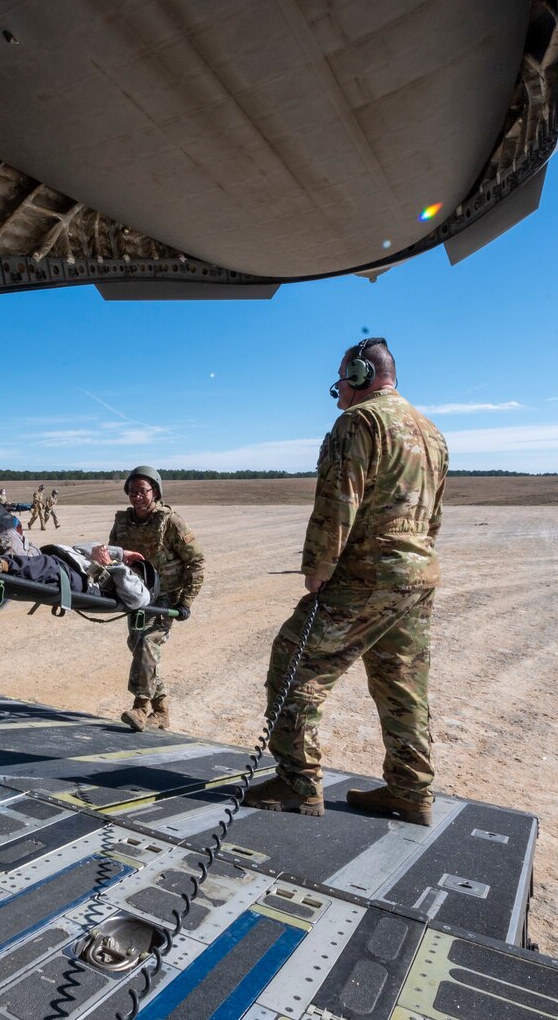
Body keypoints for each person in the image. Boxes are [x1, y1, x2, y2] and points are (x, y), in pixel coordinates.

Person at [243, 338, 448, 824]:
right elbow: (434, 515)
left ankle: (297, 781)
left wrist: (318, 570)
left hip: (366, 573)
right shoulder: (432, 433)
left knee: (295, 661)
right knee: (403, 684)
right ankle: (411, 791)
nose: (339, 386)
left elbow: (338, 502)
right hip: (416, 575)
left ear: (360, 375)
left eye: (343, 376)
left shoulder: (359, 422)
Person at [100, 466, 204, 732]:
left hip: (165, 597)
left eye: (142, 492)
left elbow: (196, 562)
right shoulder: (123, 522)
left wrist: (186, 602)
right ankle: (162, 711)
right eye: (132, 492)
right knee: (140, 646)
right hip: (136, 594)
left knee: (147, 642)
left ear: (155, 492)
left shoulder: (171, 522)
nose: (136, 497)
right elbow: (115, 556)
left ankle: (141, 706)